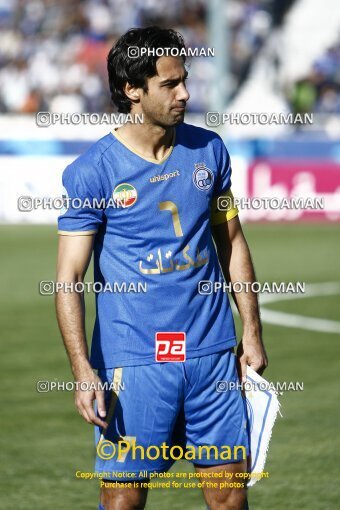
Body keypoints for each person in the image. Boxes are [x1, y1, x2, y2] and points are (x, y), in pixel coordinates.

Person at [56, 26, 267, 510]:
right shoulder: (94, 171)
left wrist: (251, 332)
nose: (185, 93)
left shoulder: (210, 150)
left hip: (211, 355)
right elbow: (67, 278)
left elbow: (232, 242)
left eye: (185, 80)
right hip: (133, 361)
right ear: (133, 90)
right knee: (124, 501)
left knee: (229, 499)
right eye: (170, 85)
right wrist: (82, 370)